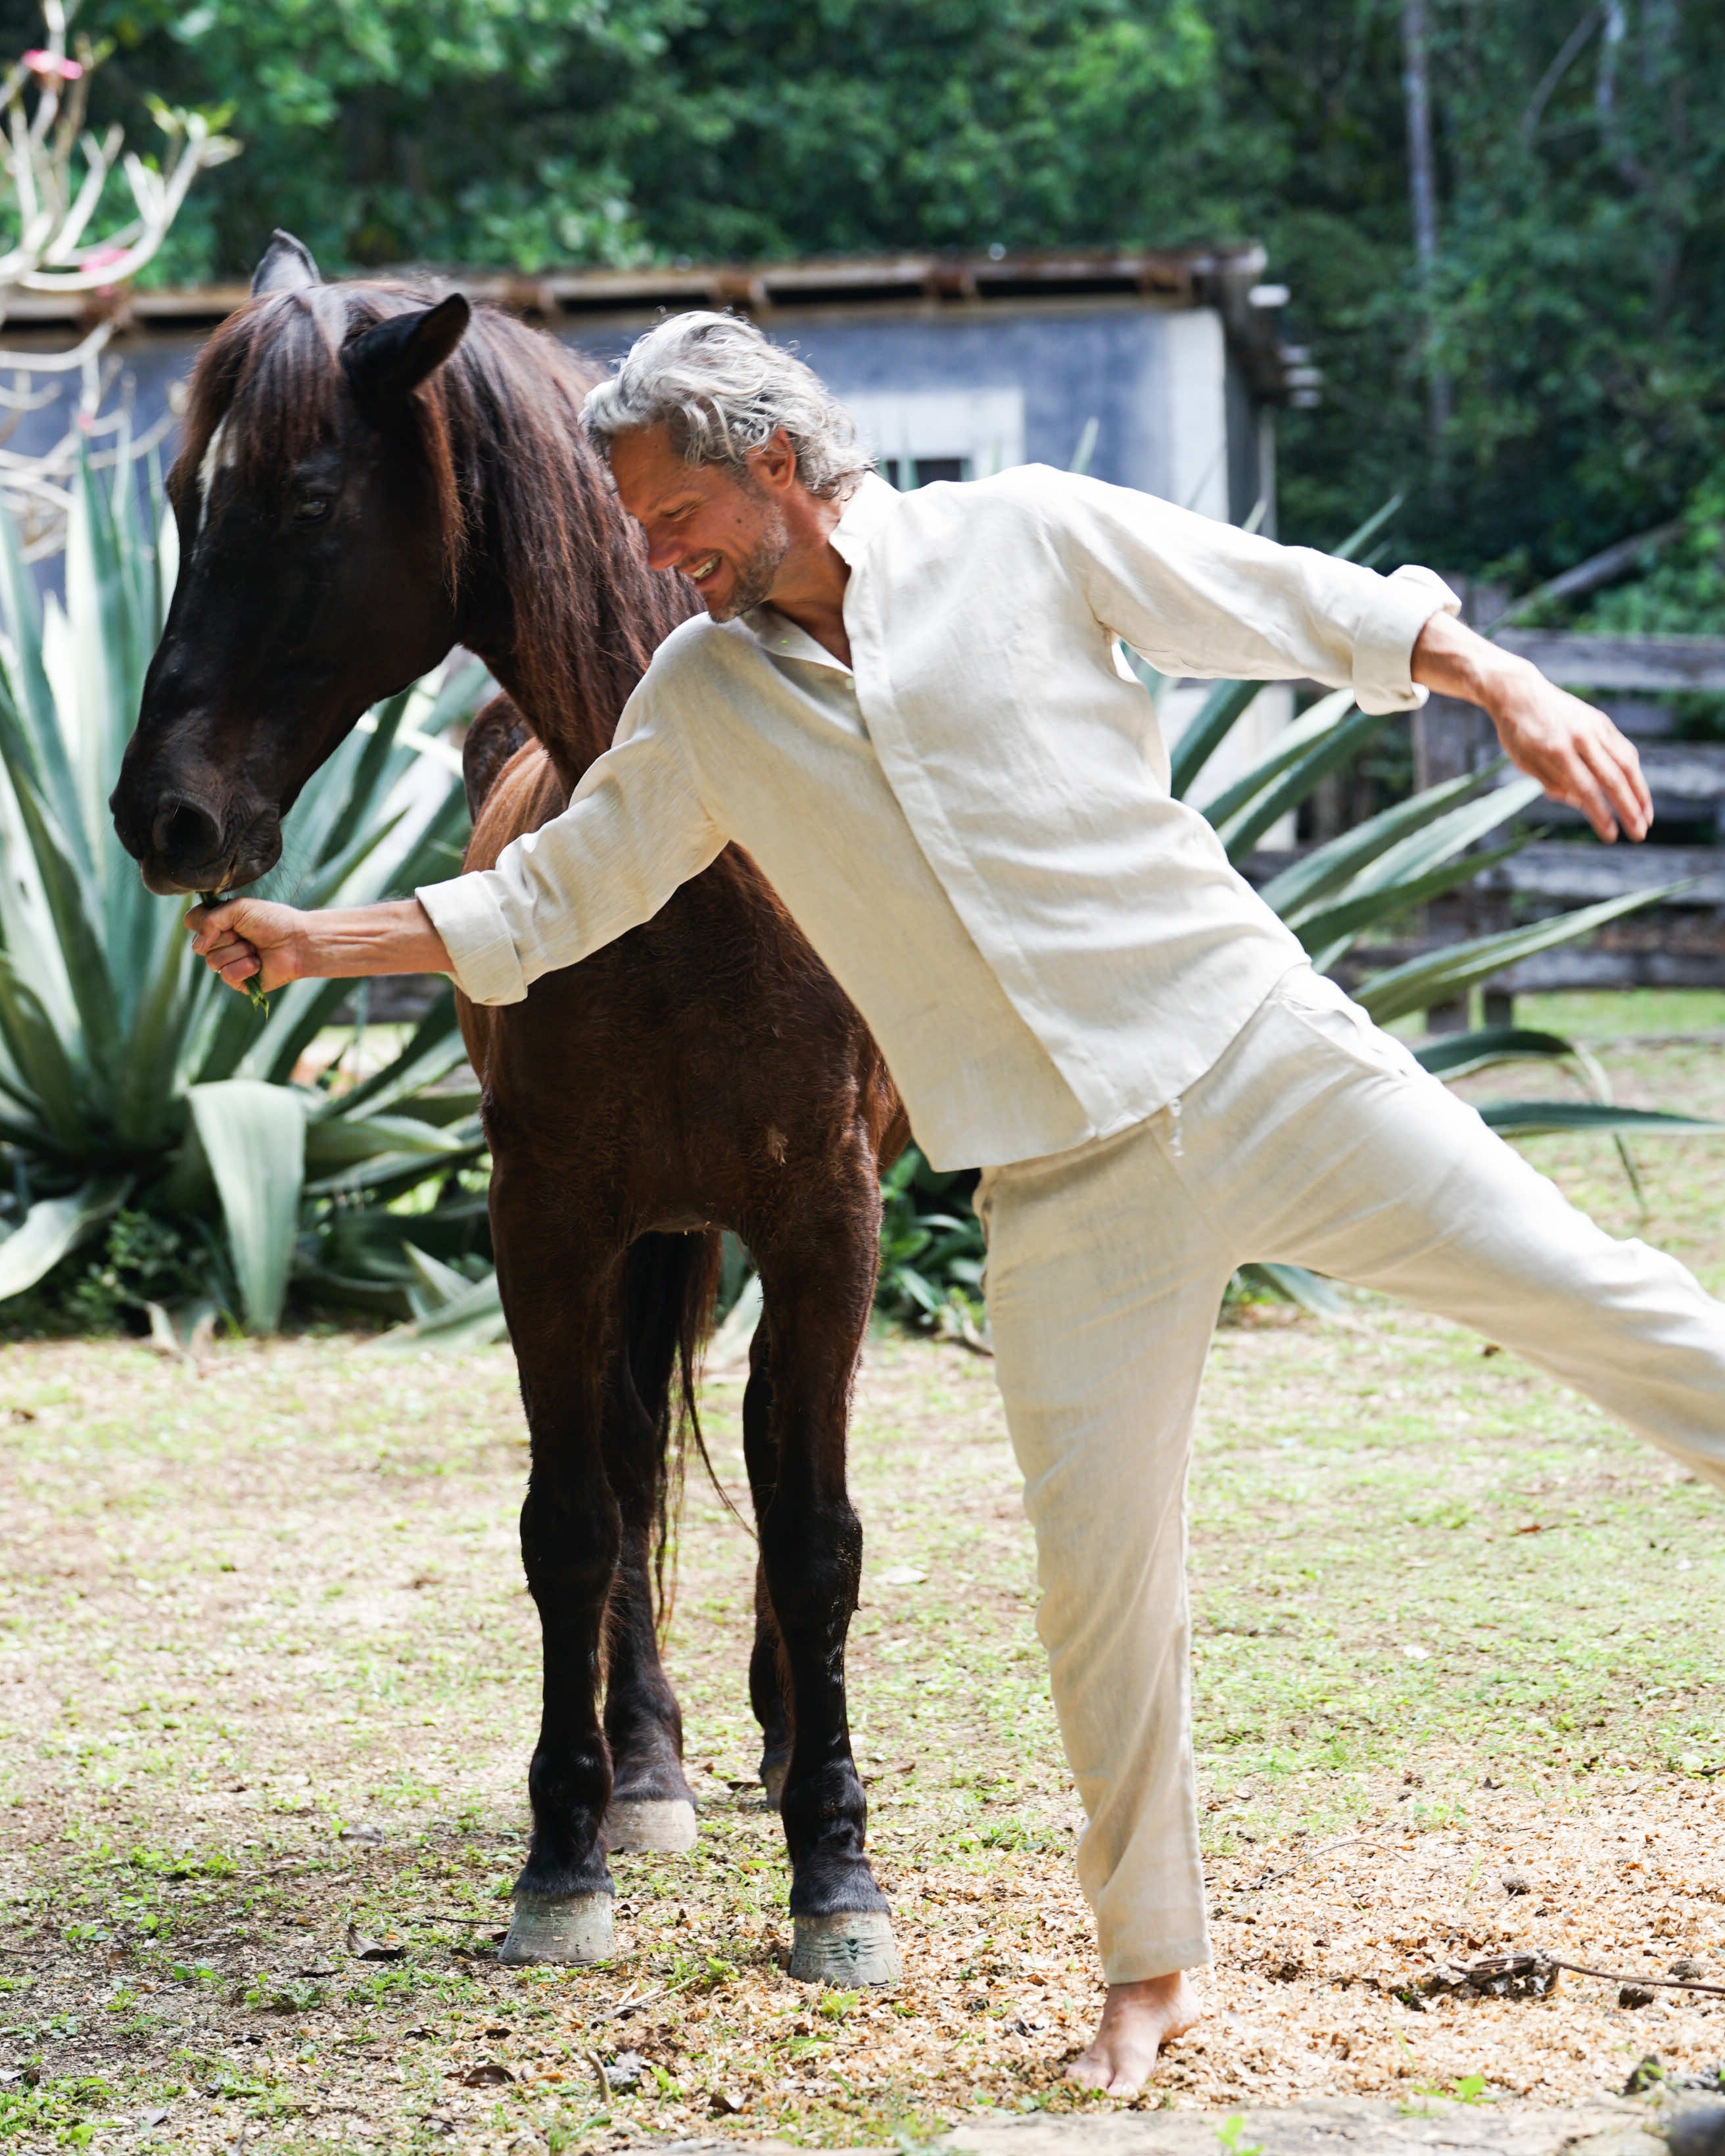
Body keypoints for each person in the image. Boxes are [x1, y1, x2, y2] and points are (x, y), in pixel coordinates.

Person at [187, 312, 1725, 2098]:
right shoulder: (704, 695)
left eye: (668, 511)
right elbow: (553, 902)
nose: (648, 554)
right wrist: (320, 942)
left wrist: (1505, 683)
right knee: (1098, 1593)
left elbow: (1292, 600)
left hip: (1260, 1059)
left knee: (1602, 1300)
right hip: (1065, 1193)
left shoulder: (1027, 535)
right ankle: (1155, 1968)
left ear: (773, 464)